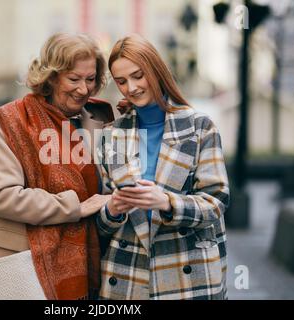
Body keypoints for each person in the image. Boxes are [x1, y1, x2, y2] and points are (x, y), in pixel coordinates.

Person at [0, 33, 115, 300]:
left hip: (88, 266)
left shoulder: (100, 119)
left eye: (90, 79)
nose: (83, 89)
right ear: (51, 76)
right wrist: (75, 207)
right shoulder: (10, 120)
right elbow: (3, 197)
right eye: (74, 79)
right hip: (23, 264)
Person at [97, 34, 230, 300]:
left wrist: (167, 202)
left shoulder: (199, 127)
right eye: (121, 81)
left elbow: (216, 202)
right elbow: (99, 220)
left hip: (188, 276)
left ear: (155, 70)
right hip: (127, 277)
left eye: (138, 75)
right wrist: (111, 211)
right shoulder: (109, 135)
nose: (131, 87)